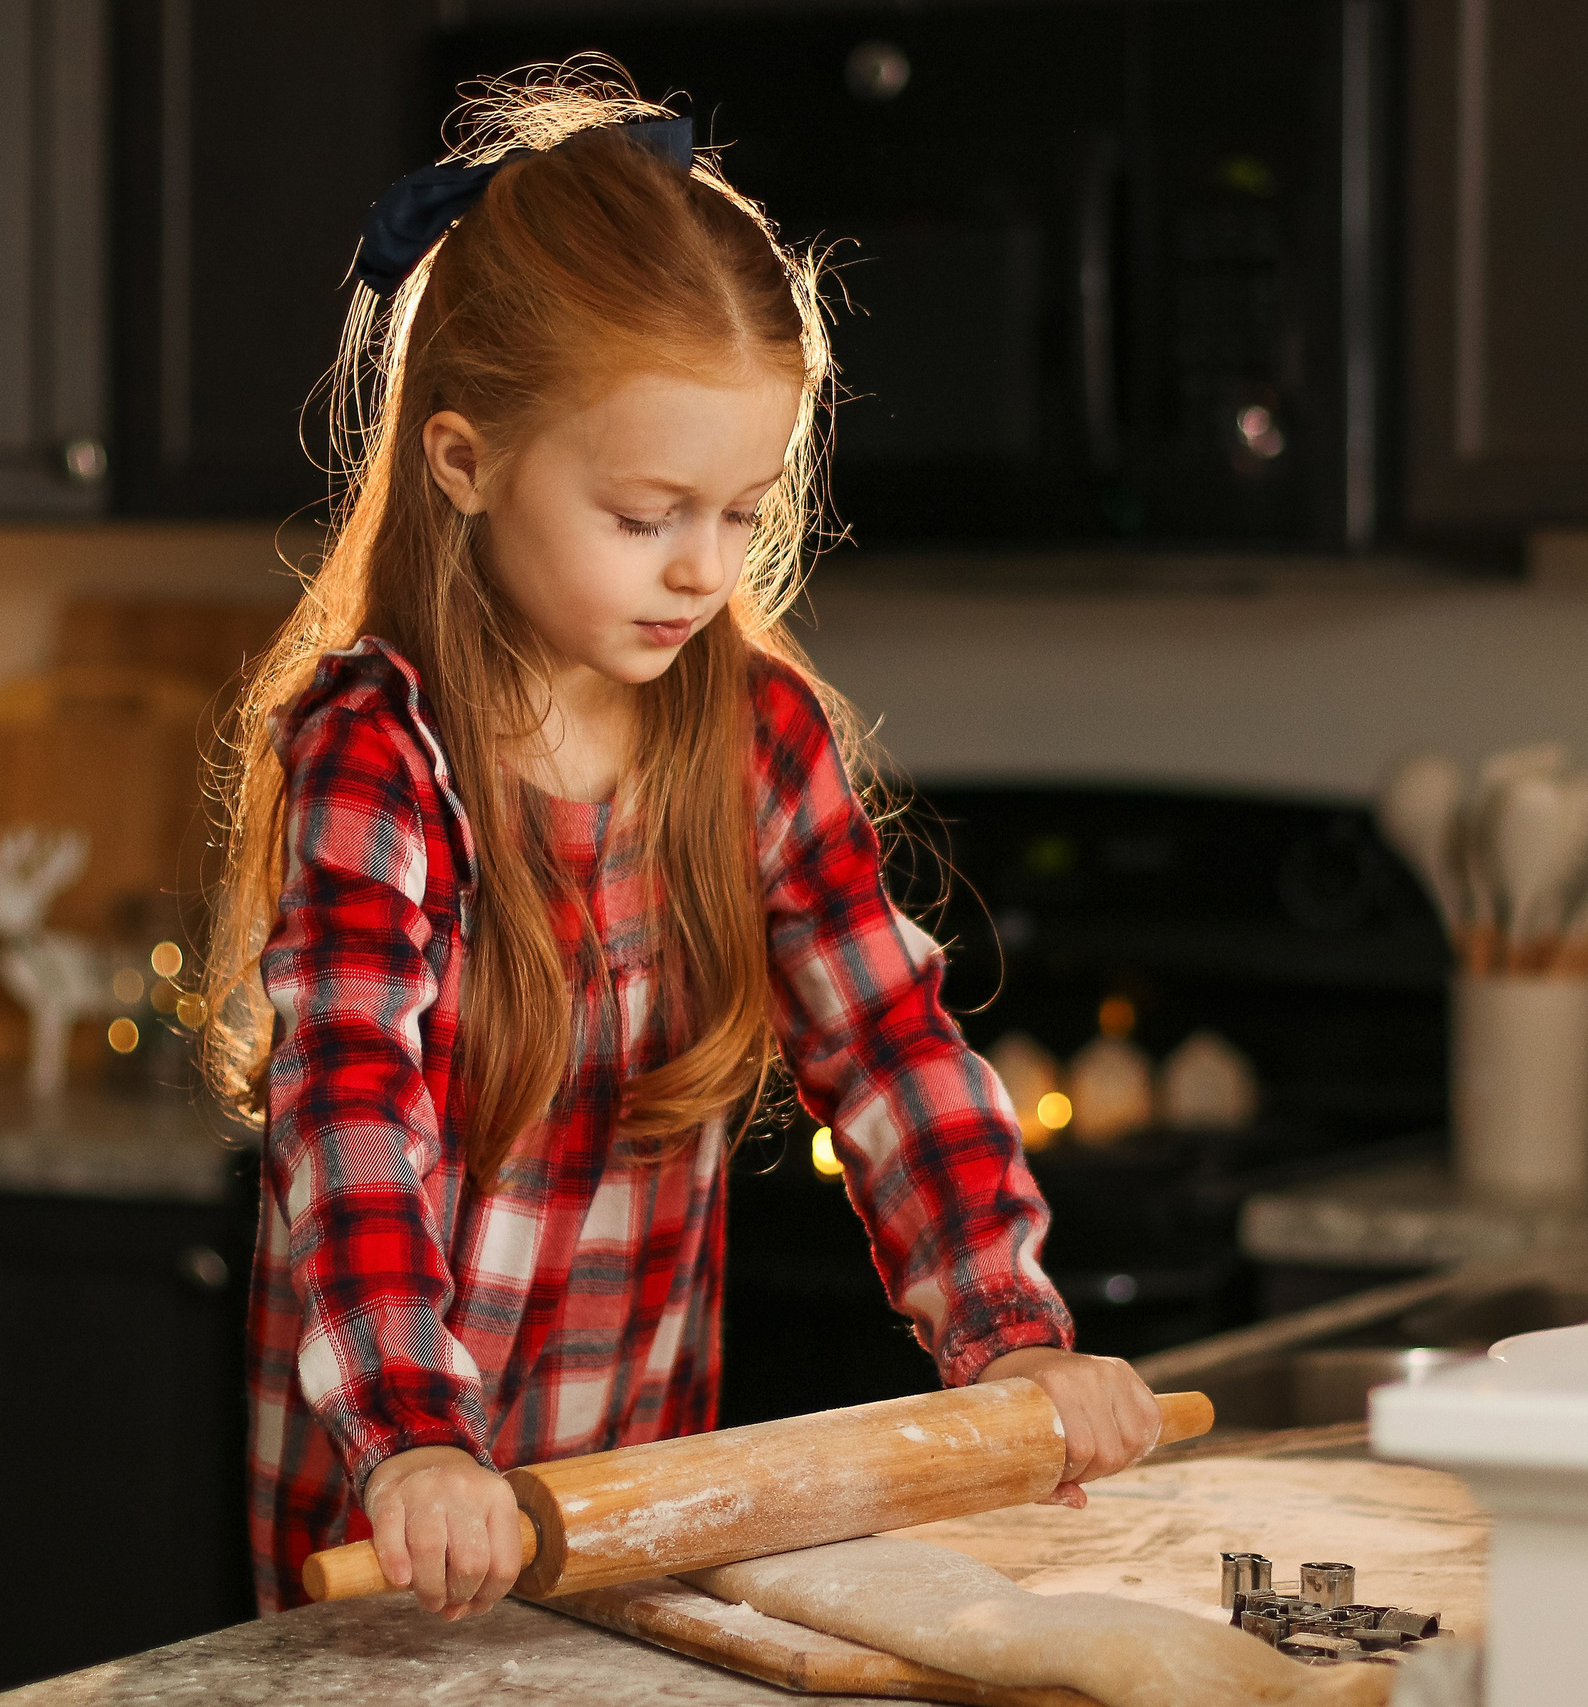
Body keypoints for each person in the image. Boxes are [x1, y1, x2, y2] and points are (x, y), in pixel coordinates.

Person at [196, 66, 1160, 1620]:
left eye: (740, 510)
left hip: (642, 1512)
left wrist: (1012, 1334)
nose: (702, 568)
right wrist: (415, 1445)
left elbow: (894, 1052)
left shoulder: (756, 740)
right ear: (464, 461)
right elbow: (349, 1109)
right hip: (393, 1536)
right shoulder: (378, 751)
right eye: (647, 513)